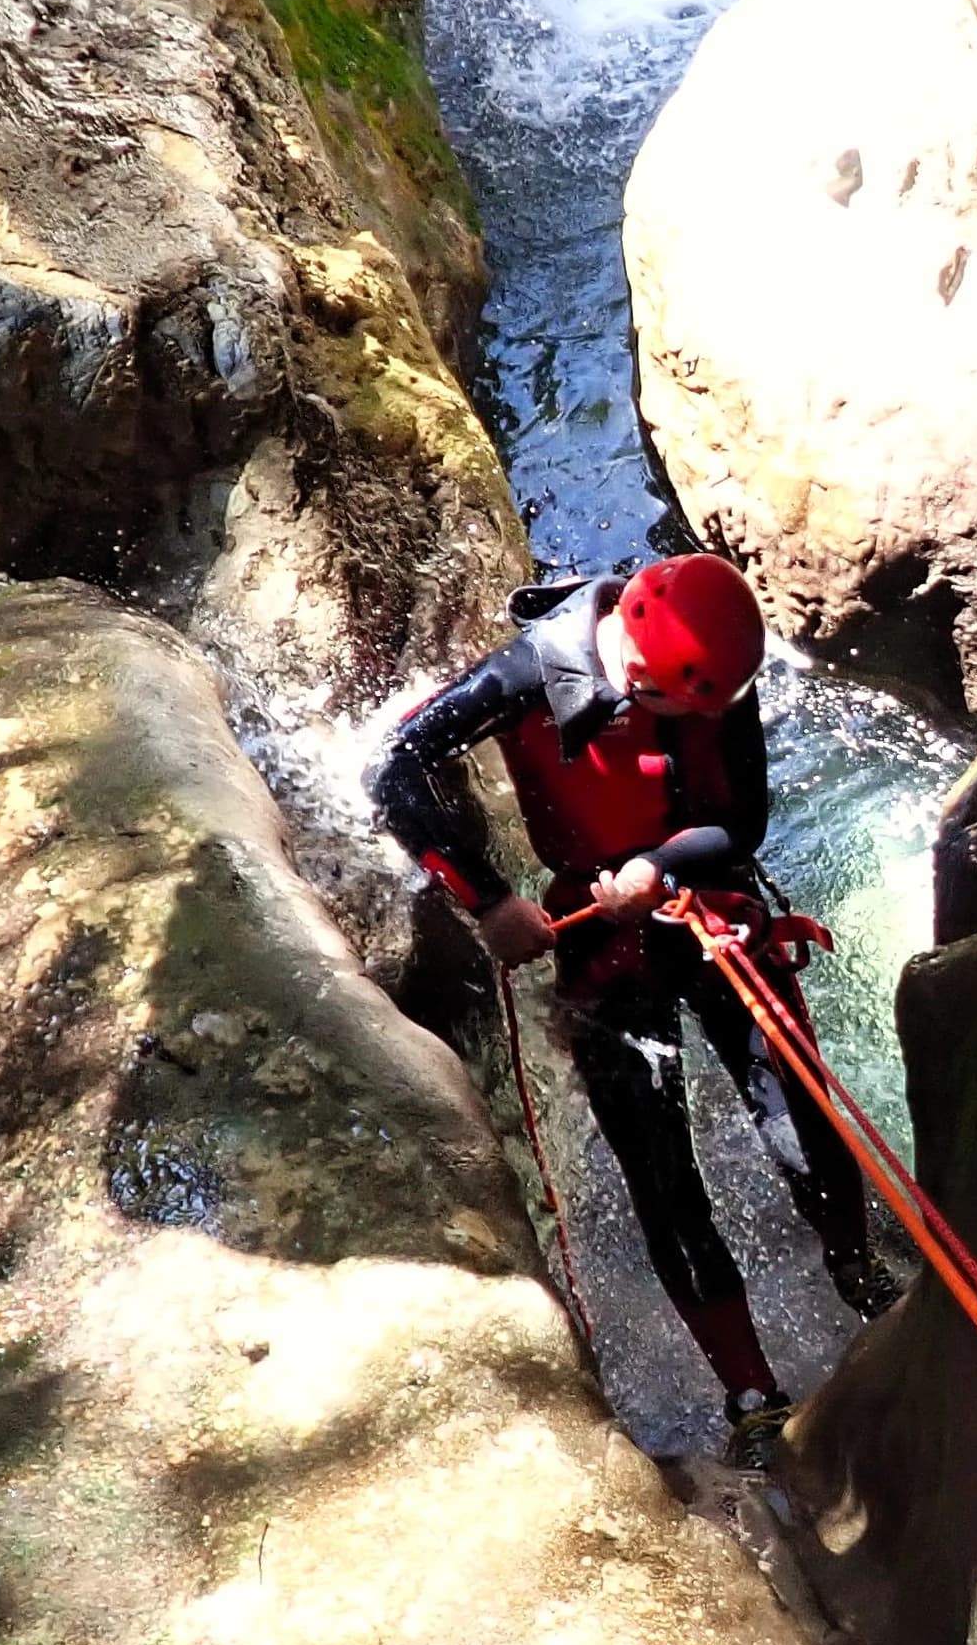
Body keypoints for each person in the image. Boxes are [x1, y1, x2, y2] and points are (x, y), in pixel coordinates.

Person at [368, 552, 899, 1467]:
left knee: (799, 1113)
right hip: (599, 942)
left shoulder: (713, 673)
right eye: (684, 711)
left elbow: (744, 822)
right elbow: (399, 767)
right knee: (661, 1175)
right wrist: (489, 899)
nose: (711, 722)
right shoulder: (529, 672)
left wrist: (661, 865)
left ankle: (857, 1270)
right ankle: (750, 1396)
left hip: (711, 908)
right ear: (640, 673)